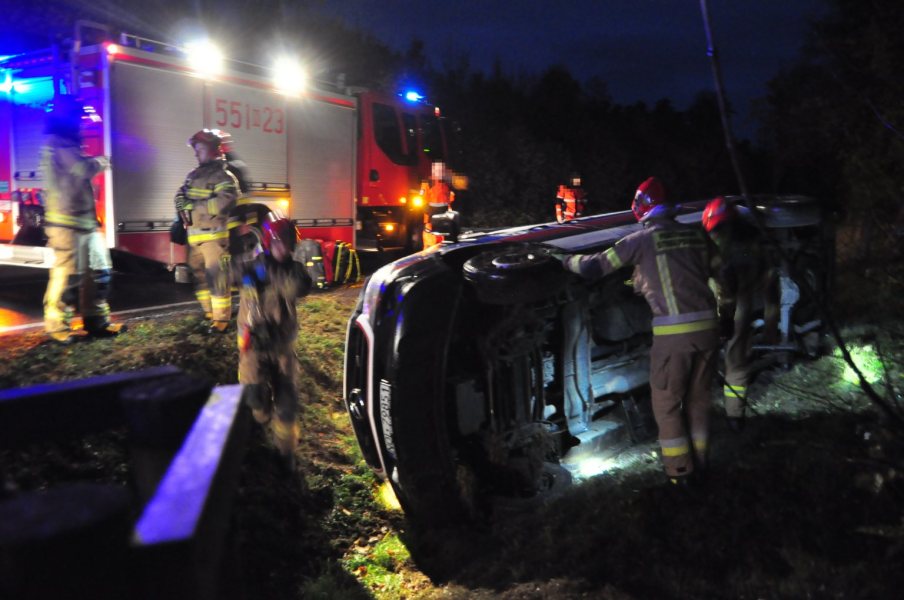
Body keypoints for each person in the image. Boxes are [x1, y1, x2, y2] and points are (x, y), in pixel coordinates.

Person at [558, 177, 720, 486]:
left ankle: (681, 473)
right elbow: (716, 271)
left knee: (667, 404)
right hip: (709, 331)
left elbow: (594, 267)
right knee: (699, 399)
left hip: (675, 336)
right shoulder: (696, 235)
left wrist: (564, 260)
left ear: (641, 207)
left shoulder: (640, 241)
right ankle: (703, 461)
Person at [40, 95, 123, 344]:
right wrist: (103, 161)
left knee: (99, 272)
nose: (81, 123)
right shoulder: (57, 143)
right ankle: (58, 328)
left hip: (83, 222)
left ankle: (96, 322)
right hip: (66, 224)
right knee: (68, 277)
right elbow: (82, 169)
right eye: (78, 117)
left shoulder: (67, 143)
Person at [235, 216, 312, 469]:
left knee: (287, 406)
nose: (282, 249)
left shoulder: (295, 270)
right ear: (269, 243)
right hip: (253, 347)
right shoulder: (252, 265)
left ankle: (284, 454)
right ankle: (261, 419)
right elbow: (230, 274)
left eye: (287, 244)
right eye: (278, 243)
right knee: (255, 399)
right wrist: (239, 270)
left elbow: (299, 287)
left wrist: (267, 274)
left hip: (282, 348)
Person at [702, 196, 780, 431]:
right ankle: (735, 417)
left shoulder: (711, 247)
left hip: (711, 308)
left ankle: (697, 416)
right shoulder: (754, 244)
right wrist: (770, 325)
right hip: (741, 308)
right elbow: (770, 287)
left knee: (701, 363)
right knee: (736, 363)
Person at [175, 129, 239, 333]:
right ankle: (209, 313)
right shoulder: (193, 175)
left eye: (200, 148)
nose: (196, 153)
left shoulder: (224, 176)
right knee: (200, 277)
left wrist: (193, 206)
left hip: (213, 238)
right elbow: (181, 194)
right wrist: (180, 202)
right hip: (194, 237)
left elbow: (224, 202)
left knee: (217, 277)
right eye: (195, 149)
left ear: (212, 150)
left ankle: (221, 320)